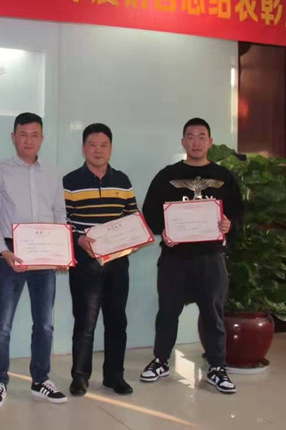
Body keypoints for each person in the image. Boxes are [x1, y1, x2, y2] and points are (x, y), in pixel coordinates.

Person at [139, 117, 243, 394]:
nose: (196, 142)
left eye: (201, 136)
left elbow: (238, 212)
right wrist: (164, 231)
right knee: (168, 311)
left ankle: (217, 367)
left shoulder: (224, 176)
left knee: (213, 312)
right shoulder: (167, 175)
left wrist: (230, 224)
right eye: (190, 136)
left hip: (211, 256)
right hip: (175, 257)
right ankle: (161, 361)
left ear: (210, 142)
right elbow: (149, 212)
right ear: (183, 141)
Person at [0, 113, 68, 408]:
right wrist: (2, 251)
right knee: (2, 323)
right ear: (13, 137)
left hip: (45, 254)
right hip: (11, 253)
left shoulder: (53, 173)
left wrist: (62, 250)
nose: (28, 140)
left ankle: (40, 380)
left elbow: (60, 213)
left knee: (44, 324)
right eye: (23, 134)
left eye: (34, 135)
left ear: (42, 138)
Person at [63, 123, 138, 397]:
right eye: (92, 145)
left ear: (111, 148)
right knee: (85, 322)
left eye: (104, 145)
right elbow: (63, 221)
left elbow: (132, 216)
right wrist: (78, 239)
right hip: (85, 262)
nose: (98, 150)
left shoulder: (123, 180)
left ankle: (114, 376)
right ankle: (80, 378)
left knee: (117, 320)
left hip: (118, 262)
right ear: (84, 148)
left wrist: (134, 238)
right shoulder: (70, 182)